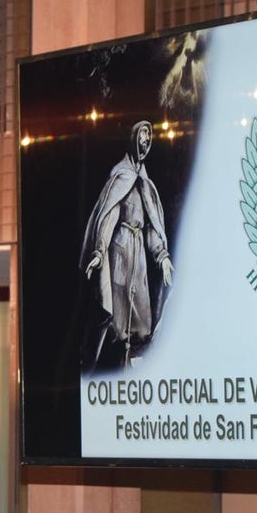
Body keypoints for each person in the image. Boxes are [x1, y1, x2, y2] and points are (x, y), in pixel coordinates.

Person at [79, 120, 174, 372]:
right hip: (120, 253)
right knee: (119, 324)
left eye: (148, 138)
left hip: (139, 257)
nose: (146, 142)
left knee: (142, 322)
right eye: (142, 136)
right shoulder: (121, 176)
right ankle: (113, 372)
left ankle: (136, 375)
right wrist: (99, 252)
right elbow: (108, 217)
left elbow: (152, 227)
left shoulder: (145, 183)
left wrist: (162, 256)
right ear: (133, 140)